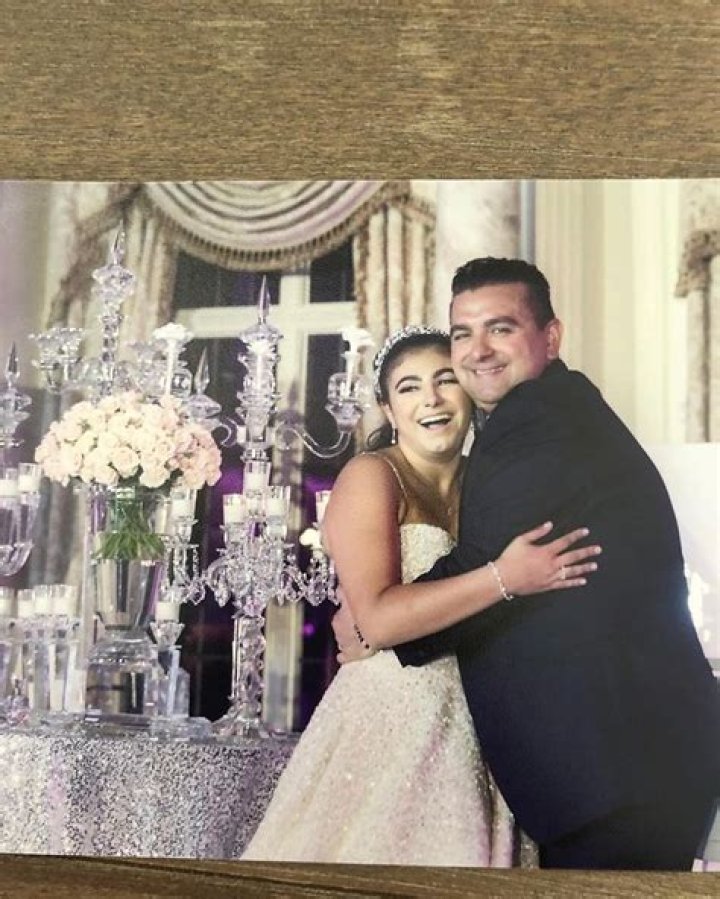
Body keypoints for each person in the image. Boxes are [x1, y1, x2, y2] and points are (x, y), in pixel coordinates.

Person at [335, 257, 720, 871]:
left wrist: (375, 616)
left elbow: (470, 571)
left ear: (551, 336)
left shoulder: (535, 426)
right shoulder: (549, 411)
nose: (479, 350)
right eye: (464, 333)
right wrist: (374, 603)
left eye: (501, 328)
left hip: (617, 769)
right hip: (611, 763)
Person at [242, 326, 601, 866]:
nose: (430, 399)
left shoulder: (493, 482)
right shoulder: (373, 475)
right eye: (409, 388)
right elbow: (379, 621)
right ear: (389, 409)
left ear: (470, 393)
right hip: (392, 725)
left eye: (445, 380)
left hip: (485, 727)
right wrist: (504, 578)